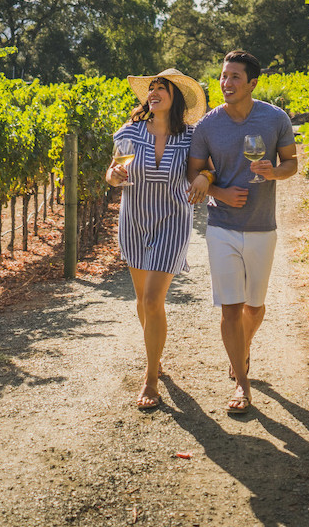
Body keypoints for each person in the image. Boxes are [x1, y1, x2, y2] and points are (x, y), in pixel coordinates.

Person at [187, 50, 297, 414]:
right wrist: (218, 193)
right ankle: (242, 385)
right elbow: (194, 173)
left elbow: (292, 163)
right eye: (223, 76)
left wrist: (273, 173)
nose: (226, 83)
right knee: (230, 309)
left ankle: (241, 350)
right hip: (221, 226)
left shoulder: (274, 117)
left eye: (235, 77)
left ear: (252, 83)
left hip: (263, 225)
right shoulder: (207, 126)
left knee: (255, 306)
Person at [106, 68, 207, 410]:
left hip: (173, 221)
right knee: (141, 299)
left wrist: (205, 178)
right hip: (134, 220)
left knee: (152, 300)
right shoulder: (130, 132)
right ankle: (156, 355)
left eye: (161, 87)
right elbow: (113, 171)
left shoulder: (192, 137)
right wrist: (114, 176)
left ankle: (150, 378)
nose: (154, 92)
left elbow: (206, 168)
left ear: (175, 97)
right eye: (151, 87)